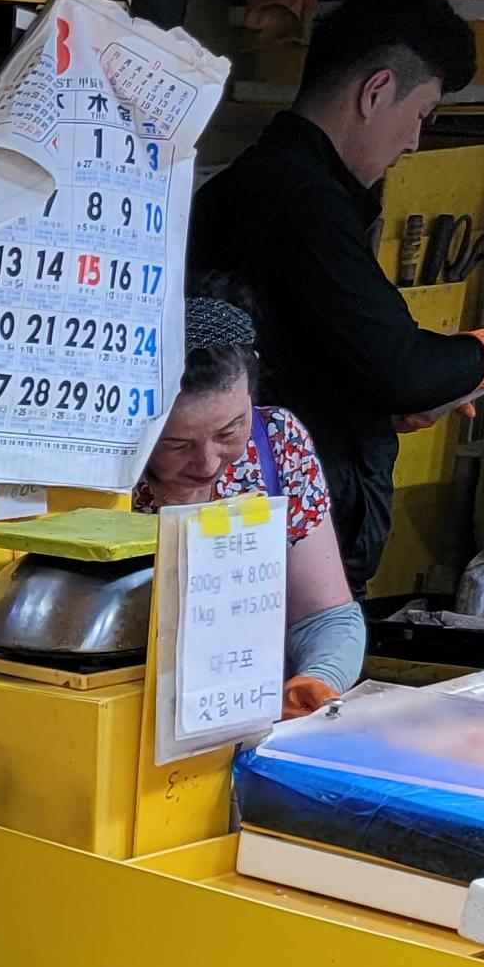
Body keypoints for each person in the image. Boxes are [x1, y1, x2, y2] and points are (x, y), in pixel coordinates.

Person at [194, 0, 484, 596]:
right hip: (285, 558)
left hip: (260, 537)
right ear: (376, 91)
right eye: (420, 115)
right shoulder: (304, 203)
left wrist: (379, 403)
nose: (414, 142)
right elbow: (401, 367)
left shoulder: (248, 187)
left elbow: (301, 354)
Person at [134, 288, 365, 716]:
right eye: (176, 443)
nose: (207, 462)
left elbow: (326, 618)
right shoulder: (103, 480)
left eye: (229, 431)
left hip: (248, 713)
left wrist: (316, 680)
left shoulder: (278, 445)